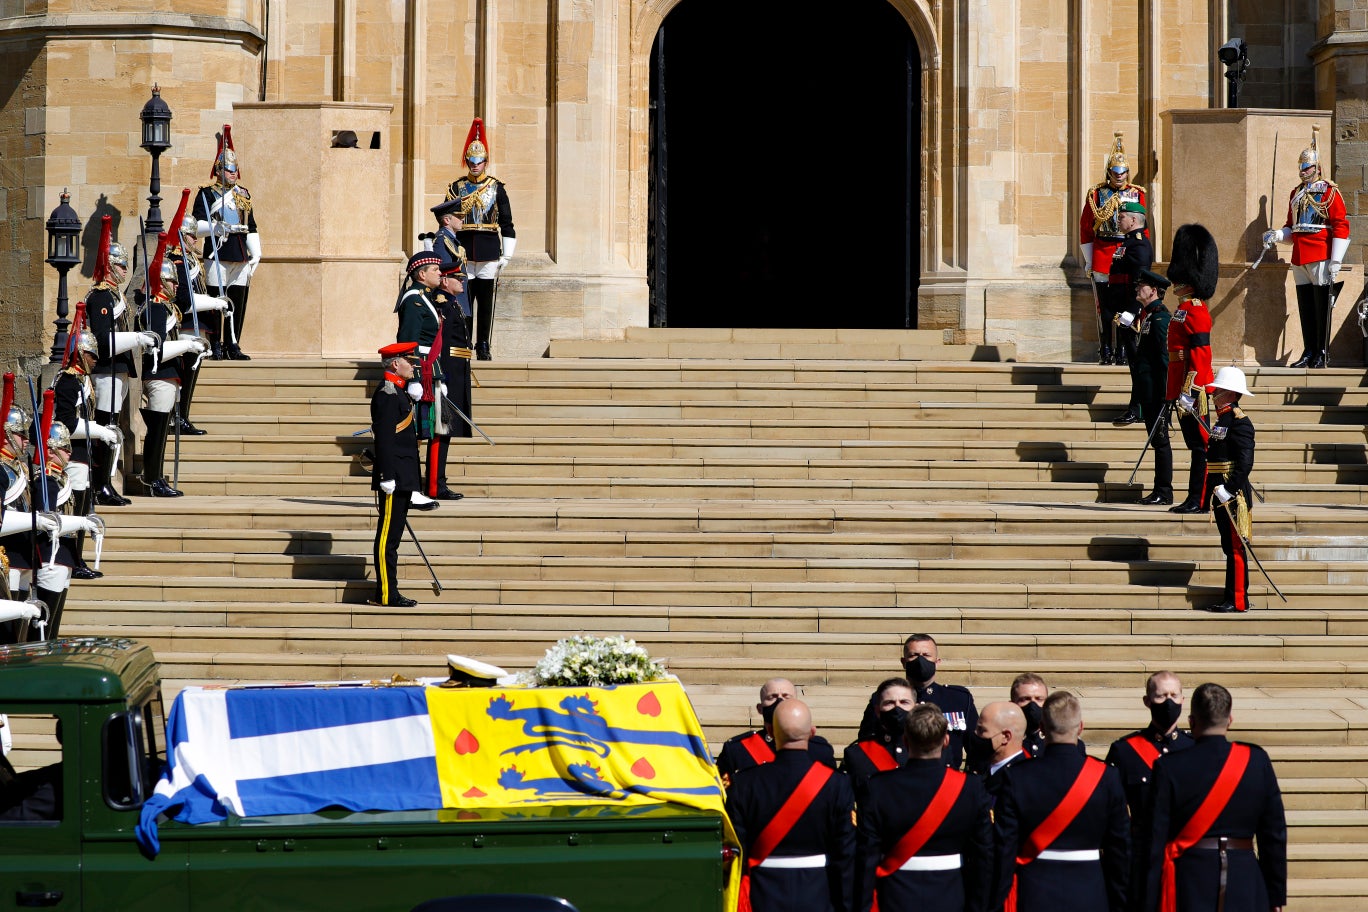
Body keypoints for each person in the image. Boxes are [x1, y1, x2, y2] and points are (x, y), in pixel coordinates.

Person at [1141, 683, 1286, 912]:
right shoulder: (1256, 761)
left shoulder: (1169, 767)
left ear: (1192, 721)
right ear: (1230, 720)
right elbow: (1273, 834)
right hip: (1245, 879)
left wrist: (1149, 898)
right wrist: (1275, 894)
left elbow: (1155, 839)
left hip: (1190, 878)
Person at [993, 690, 1130, 912]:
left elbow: (1004, 848)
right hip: (1090, 891)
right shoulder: (1106, 777)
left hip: (1034, 889)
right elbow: (1120, 850)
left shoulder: (1018, 776)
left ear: (1042, 728)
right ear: (1081, 727)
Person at [854, 703, 993, 912]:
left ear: (905, 740)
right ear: (946, 741)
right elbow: (984, 854)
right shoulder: (970, 787)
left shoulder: (878, 787)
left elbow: (867, 856)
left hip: (895, 892)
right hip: (952, 892)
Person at [725, 699, 856, 912]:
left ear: (770, 730)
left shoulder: (744, 783)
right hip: (819, 892)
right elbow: (845, 853)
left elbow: (738, 847)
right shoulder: (836, 784)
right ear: (812, 733)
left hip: (761, 892)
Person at [1262, 125, 1351, 369]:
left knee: (1321, 307)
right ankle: (1309, 350)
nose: (1303, 172)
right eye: (1301, 167)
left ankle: (1321, 351)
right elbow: (1293, 226)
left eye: (1307, 167)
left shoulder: (1329, 192)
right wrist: (1278, 234)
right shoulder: (1296, 193)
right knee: (1305, 306)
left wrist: (1336, 260)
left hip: (1320, 253)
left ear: (1317, 167)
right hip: (1299, 255)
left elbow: (1341, 225)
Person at [84, 215, 155, 506]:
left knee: (113, 428)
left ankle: (106, 484)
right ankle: (100, 485)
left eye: (127, 264)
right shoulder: (100, 297)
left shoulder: (117, 297)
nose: (126, 269)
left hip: (120, 370)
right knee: (105, 428)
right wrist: (137, 339)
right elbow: (102, 339)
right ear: (110, 265)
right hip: (106, 369)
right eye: (122, 265)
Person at [138, 232, 209, 497]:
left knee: (162, 431)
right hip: (159, 373)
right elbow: (156, 347)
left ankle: (156, 476)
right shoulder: (156, 309)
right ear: (160, 281)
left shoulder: (167, 308)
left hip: (169, 374)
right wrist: (188, 345)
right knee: (157, 432)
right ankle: (151, 478)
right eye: (171, 281)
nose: (176, 285)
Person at [445, 118, 516, 360]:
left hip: (487, 249)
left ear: (486, 162)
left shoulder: (497, 188)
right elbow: (445, 218)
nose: (475, 165)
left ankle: (483, 343)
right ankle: (464, 344)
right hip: (464, 250)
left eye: (479, 161)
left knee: (485, 301)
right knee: (464, 301)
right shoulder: (456, 187)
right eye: (471, 160)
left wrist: (506, 254)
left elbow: (506, 223)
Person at [50, 325, 118, 580]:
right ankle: (72, 561)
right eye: (92, 354)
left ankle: (76, 559)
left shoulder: (79, 380)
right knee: (74, 513)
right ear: (80, 353)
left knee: (82, 510)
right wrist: (99, 431)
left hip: (83, 454)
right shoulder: (68, 382)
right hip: (73, 455)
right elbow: (66, 422)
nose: (96, 360)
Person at [193, 125, 262, 361]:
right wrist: (217, 227)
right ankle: (216, 345)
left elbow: (250, 224)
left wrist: (257, 252)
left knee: (237, 302)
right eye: (229, 169)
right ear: (219, 170)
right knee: (216, 302)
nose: (234, 173)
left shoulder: (243, 193)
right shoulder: (206, 194)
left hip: (240, 252)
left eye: (235, 169)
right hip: (218, 251)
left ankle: (233, 343)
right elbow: (197, 225)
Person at [1163, 224, 1218, 515]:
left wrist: (1190, 390)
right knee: (1194, 446)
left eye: (1180, 280)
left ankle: (1199, 499)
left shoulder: (1196, 310)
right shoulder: (1184, 309)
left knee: (1201, 448)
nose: (1175, 285)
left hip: (1195, 390)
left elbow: (1200, 354)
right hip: (1182, 385)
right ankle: (1193, 497)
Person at [862, 634, 977, 771]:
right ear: (904, 662)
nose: (920, 660)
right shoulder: (883, 700)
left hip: (945, 780)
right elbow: (867, 744)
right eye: (914, 655)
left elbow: (976, 748)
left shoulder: (958, 699)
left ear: (937, 661)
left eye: (926, 655)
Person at [1080, 133, 1147, 365]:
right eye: (1115, 173)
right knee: (1105, 309)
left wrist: (1143, 261)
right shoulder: (1096, 195)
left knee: (1128, 305)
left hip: (1128, 256)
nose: (1120, 177)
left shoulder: (1137, 194)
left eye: (1123, 173)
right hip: (1103, 255)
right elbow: (1086, 228)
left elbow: (1143, 230)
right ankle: (1106, 348)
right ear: (1109, 173)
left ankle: (1125, 350)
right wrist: (1089, 260)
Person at [370, 342, 424, 609]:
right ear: (395, 364)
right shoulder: (387, 394)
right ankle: (387, 593)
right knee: (387, 540)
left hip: (404, 475)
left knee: (394, 537)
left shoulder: (399, 393)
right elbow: (385, 440)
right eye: (409, 361)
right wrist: (386, 475)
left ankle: (390, 590)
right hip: (394, 476)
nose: (413, 365)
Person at [1199, 366, 1257, 613]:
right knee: (1228, 546)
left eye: (1219, 390)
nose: (1214, 393)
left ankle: (1237, 600)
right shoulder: (1223, 419)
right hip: (1220, 492)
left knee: (1235, 548)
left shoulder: (1239, 421)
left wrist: (1230, 489)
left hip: (1233, 496)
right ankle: (1231, 595)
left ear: (1231, 394)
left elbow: (1245, 462)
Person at [394, 250, 447, 511]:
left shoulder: (425, 298)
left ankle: (415, 487)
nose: (440, 273)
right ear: (421, 274)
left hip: (429, 371)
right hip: (420, 374)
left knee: (424, 432)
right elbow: (408, 341)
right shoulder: (414, 299)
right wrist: (413, 379)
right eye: (435, 270)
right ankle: (411, 489)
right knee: (413, 435)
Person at [1105, 672, 1194, 820]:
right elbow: (1110, 806)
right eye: (1161, 696)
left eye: (1174, 696)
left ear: (1183, 700)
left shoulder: (1194, 746)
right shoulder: (1125, 751)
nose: (1169, 702)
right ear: (1147, 701)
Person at [716, 678, 836, 786]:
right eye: (771, 697)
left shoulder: (820, 750)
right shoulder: (737, 751)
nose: (779, 701)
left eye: (786, 696)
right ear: (760, 708)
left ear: (797, 704)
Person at [1121, 269, 1174, 505]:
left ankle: (1164, 490)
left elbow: (1165, 360)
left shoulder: (1161, 318)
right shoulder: (1149, 317)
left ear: (1153, 291)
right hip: (1149, 392)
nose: (1137, 289)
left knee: (1160, 441)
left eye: (1141, 286)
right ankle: (1159, 489)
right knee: (1157, 441)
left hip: (1158, 393)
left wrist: (1166, 394)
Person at [429, 258, 473, 502]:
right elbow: (439, 346)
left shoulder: (452, 303)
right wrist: (440, 376)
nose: (463, 282)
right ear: (445, 280)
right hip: (447, 373)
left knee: (446, 431)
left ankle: (439, 482)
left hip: (457, 373)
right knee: (441, 430)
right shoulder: (442, 304)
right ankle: (435, 485)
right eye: (459, 278)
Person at [1109, 201, 1155, 426]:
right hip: (1123, 309)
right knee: (1134, 363)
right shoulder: (1128, 243)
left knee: (1138, 364)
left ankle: (1138, 408)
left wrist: (1133, 311)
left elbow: (1141, 282)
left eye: (1122, 217)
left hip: (1132, 312)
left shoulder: (1139, 245)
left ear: (1134, 220)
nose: (1119, 221)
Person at [841, 678, 913, 795]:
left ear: (915, 708)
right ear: (877, 711)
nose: (897, 708)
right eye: (889, 703)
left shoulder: (930, 751)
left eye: (904, 702)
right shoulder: (856, 755)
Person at [970, 701, 1027, 805]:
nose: (975, 734)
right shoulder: (983, 768)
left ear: (1005, 737)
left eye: (981, 730)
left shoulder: (1020, 781)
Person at [1009, 673, 1048, 759]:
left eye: (1039, 699)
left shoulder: (1057, 742)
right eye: (1025, 699)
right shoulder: (1003, 743)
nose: (1032, 705)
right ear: (1012, 704)